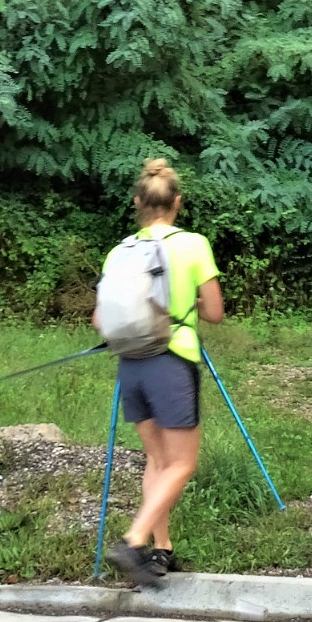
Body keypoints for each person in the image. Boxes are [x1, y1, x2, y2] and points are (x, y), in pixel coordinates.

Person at [96, 158, 223, 587]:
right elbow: (216, 312)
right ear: (177, 203)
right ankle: (133, 541)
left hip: (131, 365)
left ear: (138, 202)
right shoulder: (193, 245)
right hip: (171, 363)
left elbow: (100, 321)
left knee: (157, 459)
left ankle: (160, 549)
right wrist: (190, 308)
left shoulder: (119, 252)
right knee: (183, 464)